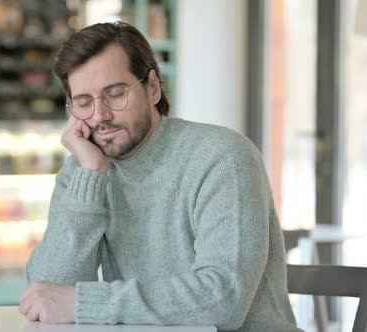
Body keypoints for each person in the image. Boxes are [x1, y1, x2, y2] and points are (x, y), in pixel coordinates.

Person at [18, 22, 301, 332]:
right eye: (84, 102)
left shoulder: (223, 157)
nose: (99, 116)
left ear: (152, 87)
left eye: (115, 94)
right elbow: (44, 298)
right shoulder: (84, 171)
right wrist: (89, 174)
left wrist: (86, 303)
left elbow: (224, 301)